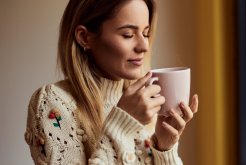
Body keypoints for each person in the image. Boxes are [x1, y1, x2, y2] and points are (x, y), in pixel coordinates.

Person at [24, 0, 199, 164]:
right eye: (128, 34)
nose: (144, 46)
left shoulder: (145, 104)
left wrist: (164, 148)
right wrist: (122, 125)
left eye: (146, 33)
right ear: (84, 37)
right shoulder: (53, 104)